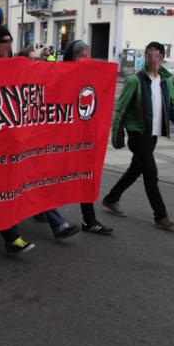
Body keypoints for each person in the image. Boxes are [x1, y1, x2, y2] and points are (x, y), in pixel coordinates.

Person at [102, 41, 174, 230]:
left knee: (135, 170)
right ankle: (160, 216)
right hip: (138, 134)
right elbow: (122, 108)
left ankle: (111, 198)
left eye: (155, 54)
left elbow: (172, 106)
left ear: (162, 57)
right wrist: (117, 133)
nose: (151, 57)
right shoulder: (135, 80)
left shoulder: (166, 81)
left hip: (153, 134)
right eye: (148, 54)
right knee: (151, 174)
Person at [0, 26, 39, 253]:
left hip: (9, 139)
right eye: (3, 41)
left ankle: (4, 231)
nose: (7, 45)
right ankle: (11, 235)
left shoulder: (16, 67)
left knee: (3, 187)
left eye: (10, 41)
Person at [60, 40, 113, 235]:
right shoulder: (60, 75)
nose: (85, 58)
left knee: (86, 176)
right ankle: (44, 211)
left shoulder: (91, 77)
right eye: (80, 54)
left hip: (81, 139)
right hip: (61, 139)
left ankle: (89, 220)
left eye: (86, 54)